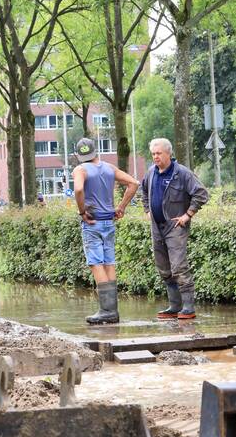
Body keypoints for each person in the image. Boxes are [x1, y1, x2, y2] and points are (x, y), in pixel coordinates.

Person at [72, 137, 139, 325]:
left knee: (95, 264)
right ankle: (113, 311)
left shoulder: (80, 169)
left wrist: (82, 211)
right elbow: (134, 183)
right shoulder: (109, 168)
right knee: (109, 262)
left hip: (92, 223)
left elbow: (78, 189)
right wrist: (121, 207)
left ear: (79, 155)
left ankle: (105, 311)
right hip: (109, 222)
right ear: (95, 152)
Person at [140, 138, 209, 319]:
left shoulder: (182, 173)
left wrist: (188, 214)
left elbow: (201, 194)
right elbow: (144, 191)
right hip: (156, 226)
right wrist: (147, 210)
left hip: (175, 226)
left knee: (178, 266)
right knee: (163, 267)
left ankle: (188, 308)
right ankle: (174, 306)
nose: (155, 157)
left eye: (159, 153)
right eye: (153, 154)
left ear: (168, 153)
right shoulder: (150, 173)